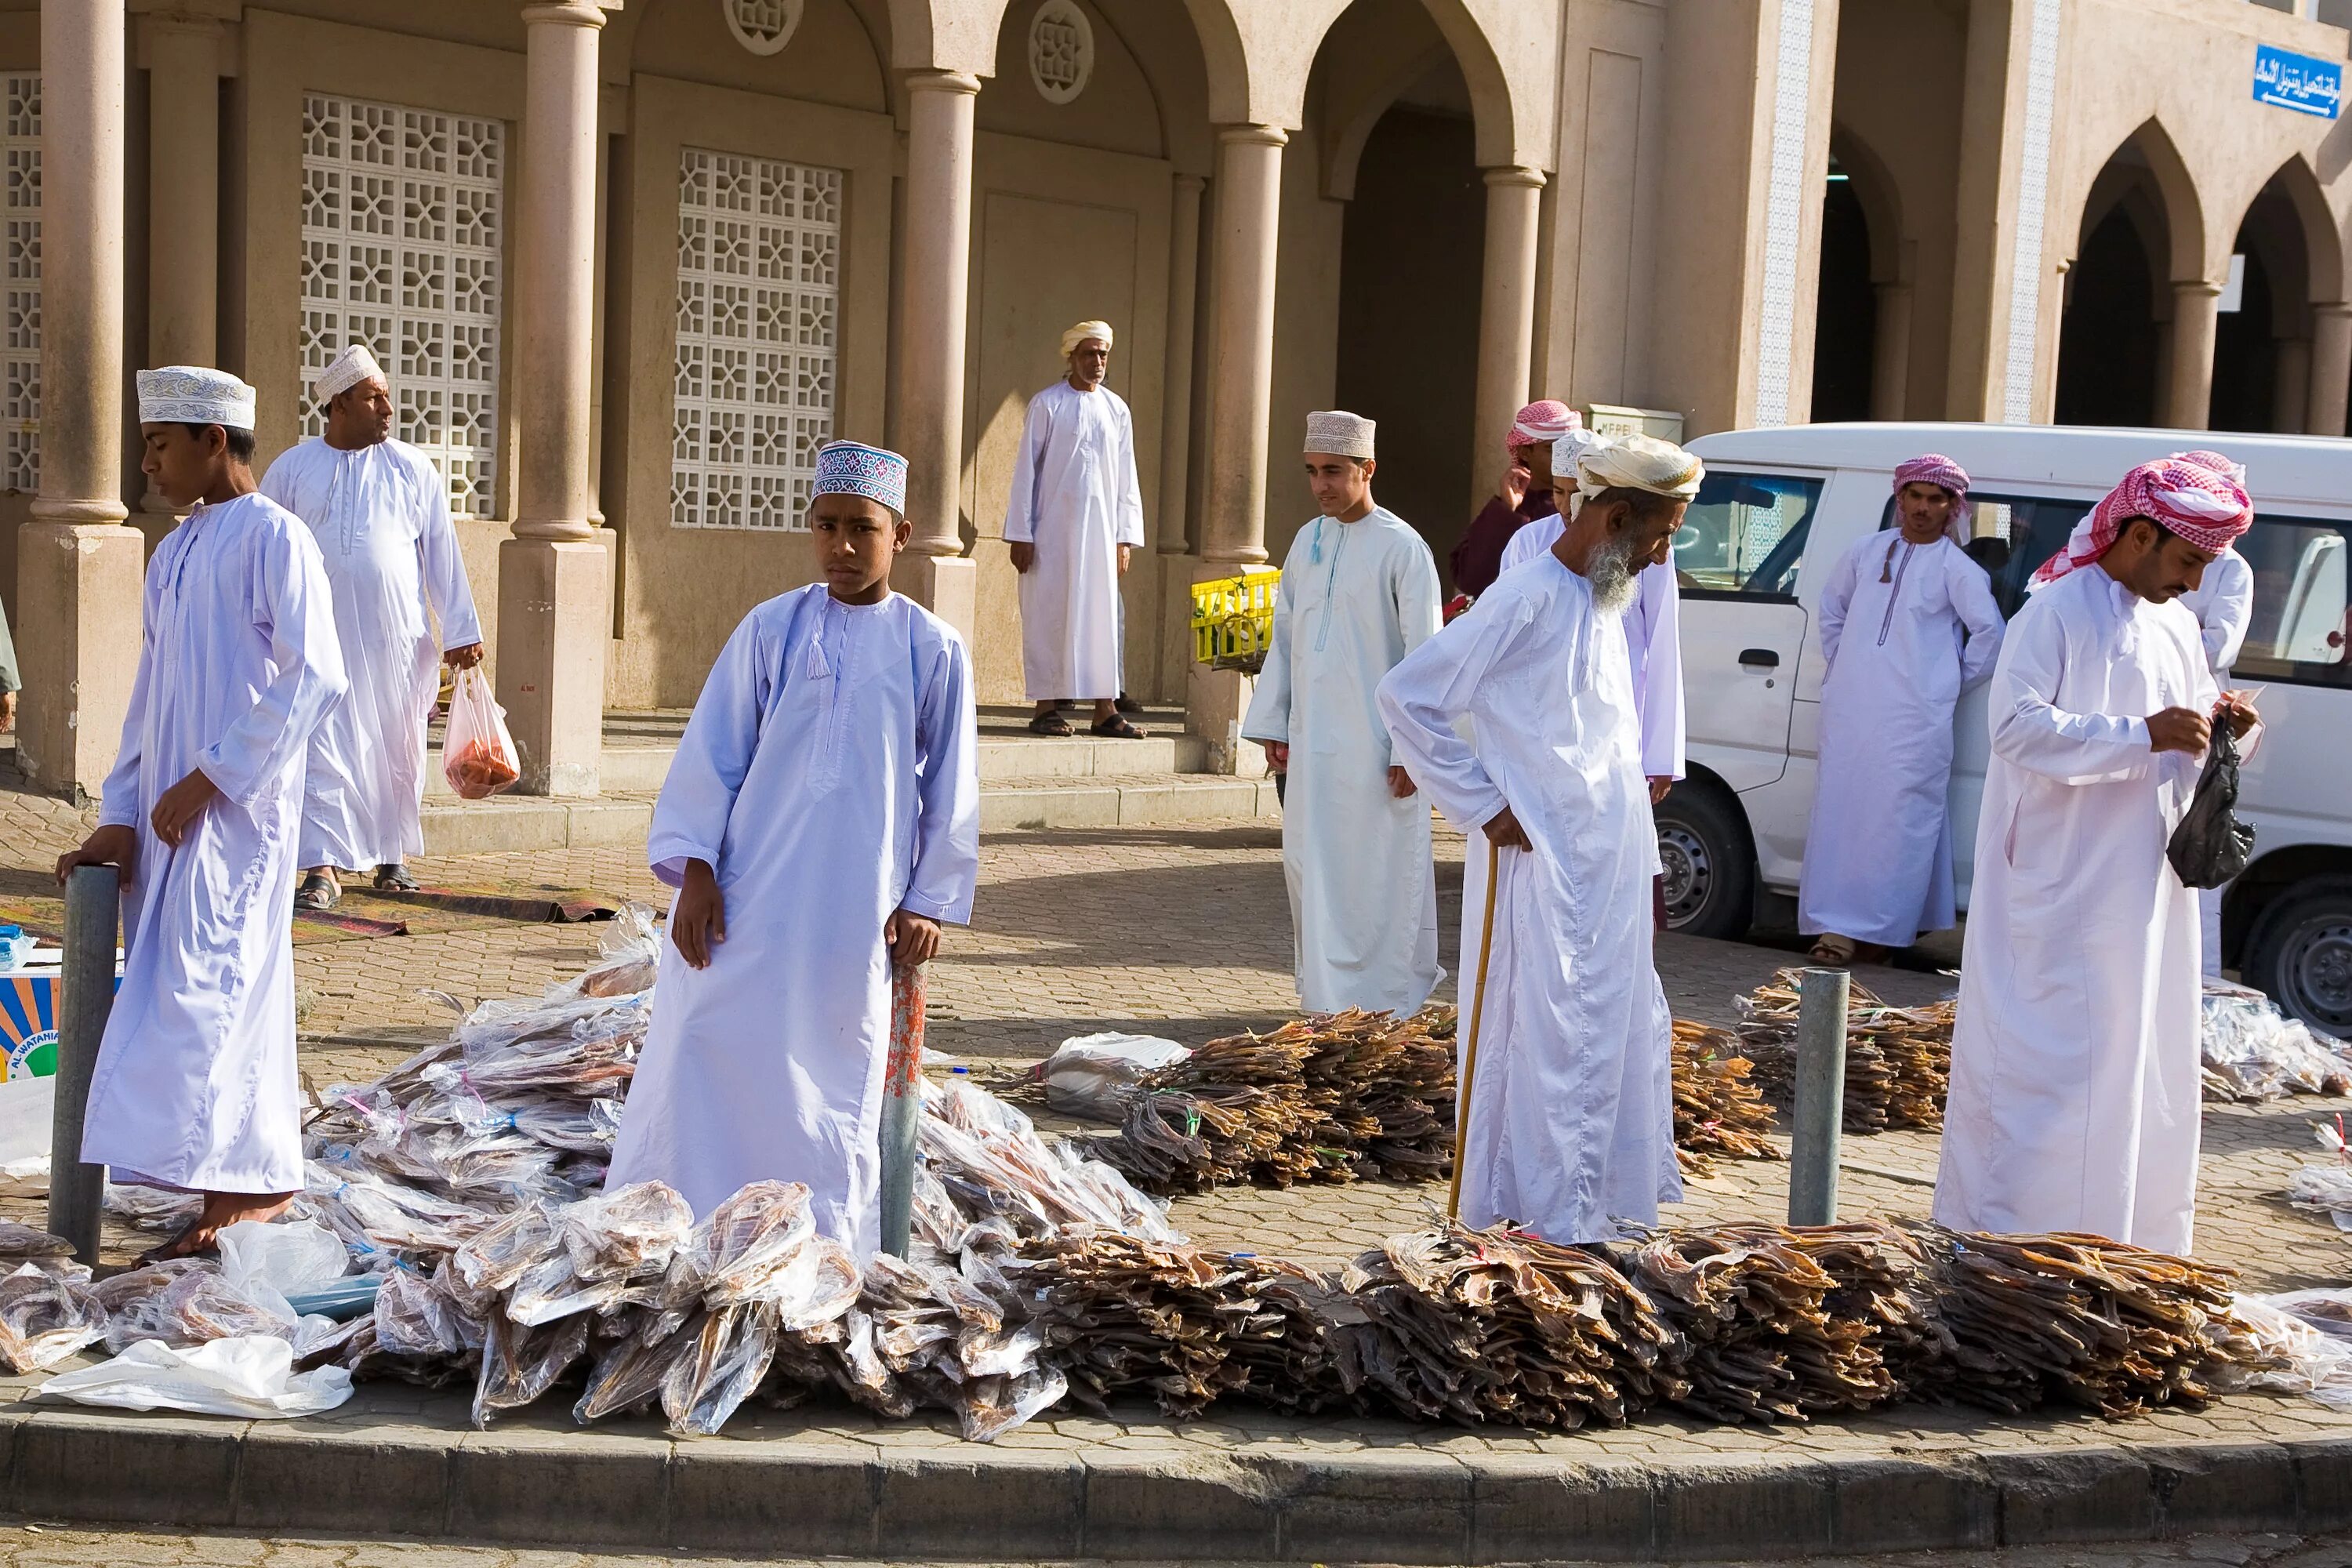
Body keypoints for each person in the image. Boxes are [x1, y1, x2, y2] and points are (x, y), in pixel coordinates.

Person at [606, 441, 980, 1250]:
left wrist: (929, 900)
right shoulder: (771, 628)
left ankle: (819, 1246)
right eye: (826, 526)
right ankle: (683, 1227)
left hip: (856, 910)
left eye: (862, 529)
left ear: (901, 533)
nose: (842, 546)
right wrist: (697, 869)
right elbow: (713, 751)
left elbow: (953, 787)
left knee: (834, 1067)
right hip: (748, 894)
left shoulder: (933, 649)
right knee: (702, 1037)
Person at [1377, 433, 1702, 1245]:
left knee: (1605, 1034)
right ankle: (1544, 1218)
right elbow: (1407, 695)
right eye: (1660, 535)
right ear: (1617, 517)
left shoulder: (1604, 596)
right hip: (1541, 867)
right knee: (1547, 1040)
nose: (1664, 558)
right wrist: (1483, 804)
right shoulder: (1523, 597)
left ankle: (1586, 1214)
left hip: (1608, 873)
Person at [52, 367, 347, 1258]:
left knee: (209, 991)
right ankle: (232, 1185)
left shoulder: (274, 538)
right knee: (184, 989)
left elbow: (319, 673)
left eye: (158, 444)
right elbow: (149, 696)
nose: (147, 463)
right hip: (170, 818)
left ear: (214, 442)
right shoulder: (176, 549)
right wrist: (120, 810)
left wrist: (215, 776)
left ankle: (247, 1189)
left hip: (236, 820)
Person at [1933, 456, 2260, 1254]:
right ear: (2141, 534)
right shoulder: (2053, 612)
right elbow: (2014, 728)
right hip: (2060, 881)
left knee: (2140, 1058)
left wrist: (2225, 730)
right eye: (2188, 561)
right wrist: (2138, 734)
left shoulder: (2177, 624)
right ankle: (2018, 1248)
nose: (2194, 582)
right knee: (2054, 1067)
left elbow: (2187, 727)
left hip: (2145, 884)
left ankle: (2130, 1247)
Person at [261, 344, 483, 908]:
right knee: (322, 745)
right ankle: (322, 867)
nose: (388, 407)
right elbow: (263, 548)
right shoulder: (292, 468)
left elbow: (442, 552)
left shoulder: (413, 469)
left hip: (397, 643)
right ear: (338, 405)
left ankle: (393, 857)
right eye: (373, 397)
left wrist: (461, 628)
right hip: (318, 640)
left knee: (396, 747)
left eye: (387, 395)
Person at [1241, 411, 1443, 1015]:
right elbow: (1286, 637)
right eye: (1311, 472)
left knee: (1375, 878)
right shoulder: (1308, 541)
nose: (1321, 484)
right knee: (1312, 872)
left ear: (1367, 469)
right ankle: (1324, 1002)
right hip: (1313, 748)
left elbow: (1424, 657)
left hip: (1378, 753)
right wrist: (1277, 725)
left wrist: (1410, 749)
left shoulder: (1404, 548)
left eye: (1333, 471)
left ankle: (1385, 1006)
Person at [1797, 456, 2004, 967]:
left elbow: (1990, 634)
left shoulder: (1959, 570)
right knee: (1842, 811)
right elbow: (1832, 609)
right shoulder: (1866, 553)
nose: (1923, 508)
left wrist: (1944, 681)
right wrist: (1850, 662)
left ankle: (1881, 931)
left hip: (1915, 720)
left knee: (1899, 818)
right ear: (1901, 499)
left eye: (1937, 500)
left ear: (1953, 509)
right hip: (1852, 709)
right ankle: (1836, 924)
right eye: (1915, 497)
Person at [1004, 320, 1147, 739]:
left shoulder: (1116, 409)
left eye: (1103, 354)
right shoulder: (1047, 404)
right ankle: (1045, 708)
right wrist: (1021, 532)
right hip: (1050, 532)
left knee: (1101, 615)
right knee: (1049, 612)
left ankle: (1105, 710)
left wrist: (1125, 536)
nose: (1098, 362)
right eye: (1090, 354)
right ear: (1072, 356)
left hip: (1102, 535)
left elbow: (1126, 477)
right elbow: (1024, 472)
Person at [2169, 449, 2256, 981]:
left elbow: (2218, 647)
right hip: (2144, 721)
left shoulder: (2233, 570)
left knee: (2197, 849)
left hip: (2201, 724)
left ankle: (2195, 989)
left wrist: (2159, 638)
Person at [1448, 399, 1581, 597]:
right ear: (1525, 452)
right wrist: (1507, 511)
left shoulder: (1589, 506)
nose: (1565, 457)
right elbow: (1470, 580)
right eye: (1552, 449)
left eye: (1569, 448)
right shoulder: (1509, 509)